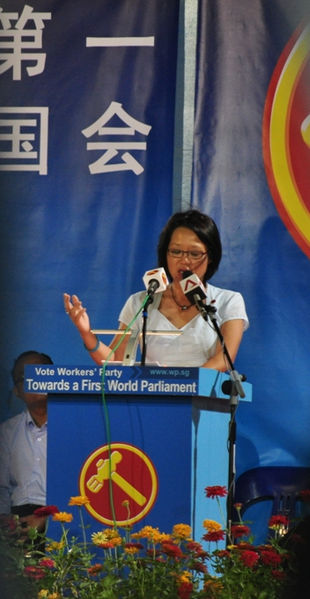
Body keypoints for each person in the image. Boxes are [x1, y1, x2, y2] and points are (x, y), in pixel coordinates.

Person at [64, 209, 249, 371]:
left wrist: (179, 383)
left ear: (210, 258)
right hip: (152, 400)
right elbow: (116, 360)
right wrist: (86, 333)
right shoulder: (141, 302)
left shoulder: (228, 301)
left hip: (203, 402)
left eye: (194, 254)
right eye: (176, 252)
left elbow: (224, 359)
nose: (184, 261)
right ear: (164, 254)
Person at [0, 350, 53, 536]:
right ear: (16, 391)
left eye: (40, 372)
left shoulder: (74, 430)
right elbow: (3, 489)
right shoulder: (6, 432)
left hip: (59, 518)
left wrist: (49, 521)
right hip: (16, 520)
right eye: (25, 376)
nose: (35, 380)